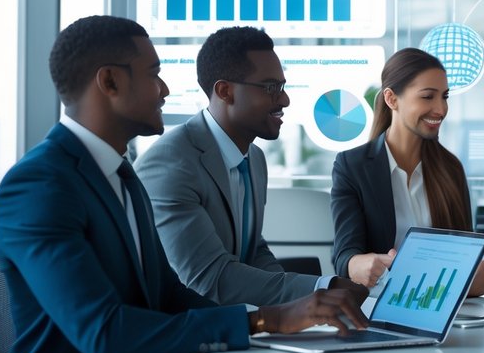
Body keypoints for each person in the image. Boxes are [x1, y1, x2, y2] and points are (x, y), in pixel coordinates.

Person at [0, 16, 367, 353]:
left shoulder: (121, 175)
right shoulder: (40, 185)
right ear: (110, 82)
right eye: (154, 75)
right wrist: (264, 322)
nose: (166, 90)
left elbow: (168, 292)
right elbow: (104, 333)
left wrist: (278, 318)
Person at [137, 26, 363, 305]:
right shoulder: (171, 164)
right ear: (225, 91)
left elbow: (252, 251)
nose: (284, 99)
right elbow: (210, 280)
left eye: (282, 87)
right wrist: (320, 289)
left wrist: (302, 308)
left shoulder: (254, 159)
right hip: (190, 334)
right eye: (271, 88)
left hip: (241, 327)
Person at [331, 48, 484, 296]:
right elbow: (344, 256)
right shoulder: (352, 166)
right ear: (391, 99)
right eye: (428, 97)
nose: (441, 109)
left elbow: (464, 253)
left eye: (445, 96)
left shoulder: (450, 168)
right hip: (377, 307)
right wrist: (357, 264)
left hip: (441, 306)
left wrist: (473, 278)